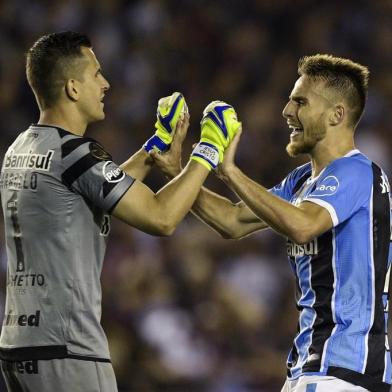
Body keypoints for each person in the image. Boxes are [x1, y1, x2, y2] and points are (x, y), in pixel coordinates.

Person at [0, 31, 240, 392]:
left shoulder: (21, 148)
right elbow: (162, 217)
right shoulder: (75, 153)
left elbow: (97, 191)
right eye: (96, 74)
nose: (106, 83)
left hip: (19, 345)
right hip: (70, 350)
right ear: (72, 88)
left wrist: (155, 144)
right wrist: (208, 148)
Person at [153, 54, 392, 392]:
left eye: (300, 101)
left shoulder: (357, 171)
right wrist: (181, 172)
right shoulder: (301, 182)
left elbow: (303, 226)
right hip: (310, 367)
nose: (287, 111)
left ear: (337, 114)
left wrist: (231, 172)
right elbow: (233, 221)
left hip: (346, 371)